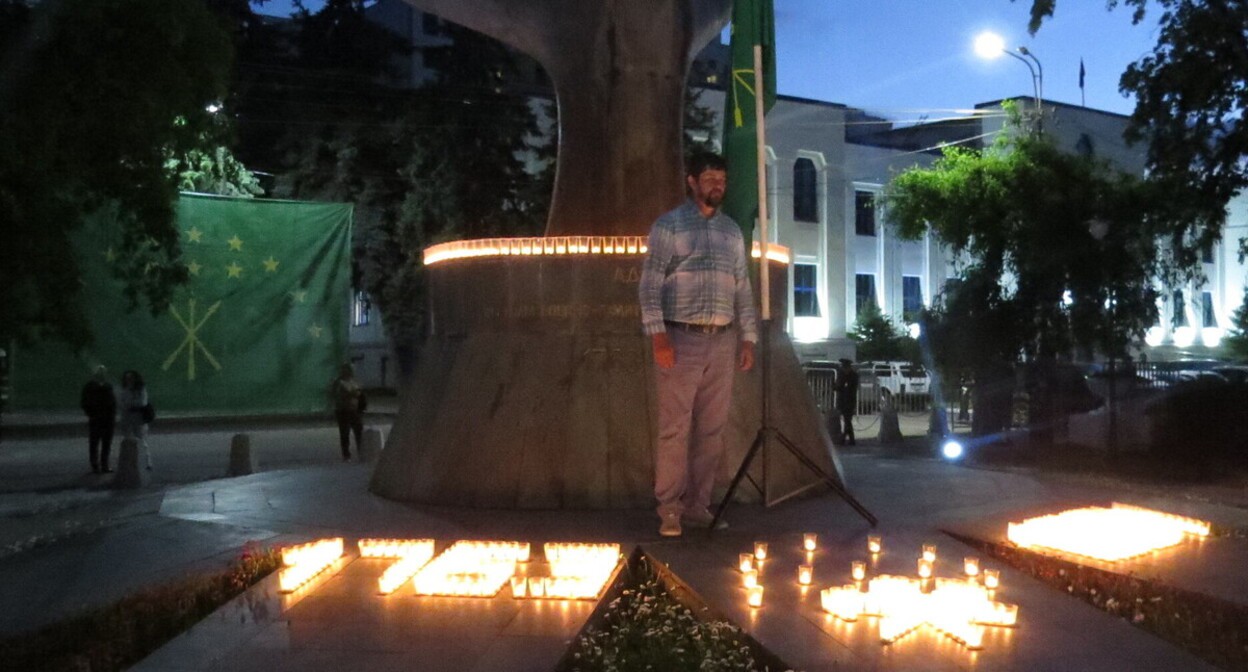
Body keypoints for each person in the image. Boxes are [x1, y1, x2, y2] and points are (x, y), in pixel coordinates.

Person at [639, 151, 758, 537]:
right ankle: (669, 509)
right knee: (675, 429)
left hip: (722, 342)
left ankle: (697, 505)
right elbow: (650, 283)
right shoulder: (669, 227)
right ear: (692, 182)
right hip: (680, 338)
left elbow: (742, 287)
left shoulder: (731, 232)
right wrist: (658, 335)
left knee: (712, 429)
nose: (717, 185)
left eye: (721, 179)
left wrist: (748, 337)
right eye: (709, 178)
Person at [80, 365, 116, 473]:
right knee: (96, 442)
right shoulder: (91, 387)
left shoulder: (104, 386)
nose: (102, 375)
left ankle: (102, 464)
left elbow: (112, 402)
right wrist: (91, 413)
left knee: (104, 443)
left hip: (105, 418)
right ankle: (97, 464)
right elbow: (85, 402)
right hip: (98, 418)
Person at [116, 370, 152, 470]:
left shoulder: (141, 389)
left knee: (141, 439)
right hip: (126, 416)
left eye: (131, 378)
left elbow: (142, 402)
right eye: (127, 378)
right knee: (127, 438)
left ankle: (147, 462)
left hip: (138, 417)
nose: (129, 380)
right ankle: (128, 461)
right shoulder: (124, 389)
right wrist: (127, 405)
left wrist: (129, 404)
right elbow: (120, 402)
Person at [330, 363, 365, 461]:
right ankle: (346, 455)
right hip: (343, 410)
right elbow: (336, 394)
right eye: (349, 369)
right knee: (345, 432)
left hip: (354, 410)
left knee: (359, 431)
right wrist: (351, 394)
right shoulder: (339, 382)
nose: (351, 371)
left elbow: (359, 392)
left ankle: (361, 452)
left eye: (352, 369)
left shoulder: (353, 381)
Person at [836, 359, 859, 445]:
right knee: (847, 420)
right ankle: (851, 440)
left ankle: (844, 439)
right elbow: (837, 386)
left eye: (844, 367)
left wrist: (840, 386)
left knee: (847, 420)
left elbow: (848, 388)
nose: (843, 369)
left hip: (849, 400)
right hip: (842, 400)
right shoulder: (841, 375)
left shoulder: (853, 376)